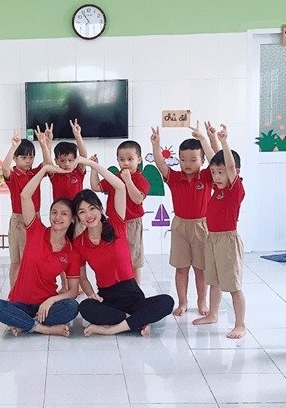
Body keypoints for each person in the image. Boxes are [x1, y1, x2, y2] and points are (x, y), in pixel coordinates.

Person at [70, 156, 175, 336]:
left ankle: (113, 329)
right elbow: (83, 278)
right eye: (82, 212)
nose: (88, 215)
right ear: (77, 217)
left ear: (100, 208)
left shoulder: (116, 224)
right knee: (85, 307)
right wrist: (91, 294)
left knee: (167, 302)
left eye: (92, 208)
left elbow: (120, 187)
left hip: (132, 293)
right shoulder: (79, 243)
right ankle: (136, 321)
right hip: (108, 297)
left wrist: (91, 164)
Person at [0, 164, 81, 336]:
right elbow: (25, 196)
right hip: (20, 303)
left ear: (72, 220)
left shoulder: (71, 252)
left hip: (46, 305)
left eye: (64, 214)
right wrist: (43, 170)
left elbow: (73, 292)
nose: (57, 217)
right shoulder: (36, 229)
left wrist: (51, 300)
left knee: (72, 307)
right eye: (54, 212)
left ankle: (24, 324)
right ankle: (42, 328)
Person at [151, 121, 218, 319]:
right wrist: (156, 145)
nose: (187, 164)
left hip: (202, 226)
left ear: (202, 160)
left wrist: (206, 139)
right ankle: (183, 302)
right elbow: (160, 164)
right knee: (181, 268)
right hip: (180, 226)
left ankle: (201, 302)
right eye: (183, 159)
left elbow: (216, 160)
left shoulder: (207, 176)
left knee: (201, 269)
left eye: (193, 159)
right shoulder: (174, 177)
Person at [194, 125, 247, 339]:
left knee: (233, 286)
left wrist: (224, 142)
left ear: (235, 173)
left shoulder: (235, 190)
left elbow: (230, 165)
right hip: (212, 239)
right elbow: (212, 158)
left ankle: (240, 324)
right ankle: (213, 314)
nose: (216, 176)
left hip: (227, 240)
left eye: (221, 172)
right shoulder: (218, 189)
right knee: (213, 280)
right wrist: (205, 139)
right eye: (214, 172)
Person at [91, 139, 150, 284]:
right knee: (115, 256)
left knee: (133, 259)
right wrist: (94, 168)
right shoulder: (114, 178)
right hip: (114, 223)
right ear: (117, 160)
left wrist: (128, 181)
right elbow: (95, 187)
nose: (126, 163)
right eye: (122, 160)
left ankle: (135, 290)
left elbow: (137, 199)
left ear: (139, 160)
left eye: (130, 159)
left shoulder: (141, 180)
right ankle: (118, 286)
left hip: (132, 224)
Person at [1, 131, 40, 288]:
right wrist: (13, 147)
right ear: (15, 158)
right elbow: (4, 168)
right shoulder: (13, 175)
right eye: (24, 157)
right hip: (19, 221)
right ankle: (14, 292)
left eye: (31, 157)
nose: (28, 161)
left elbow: (47, 164)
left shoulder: (34, 173)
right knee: (17, 261)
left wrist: (45, 143)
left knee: (34, 259)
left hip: (35, 220)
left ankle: (31, 290)